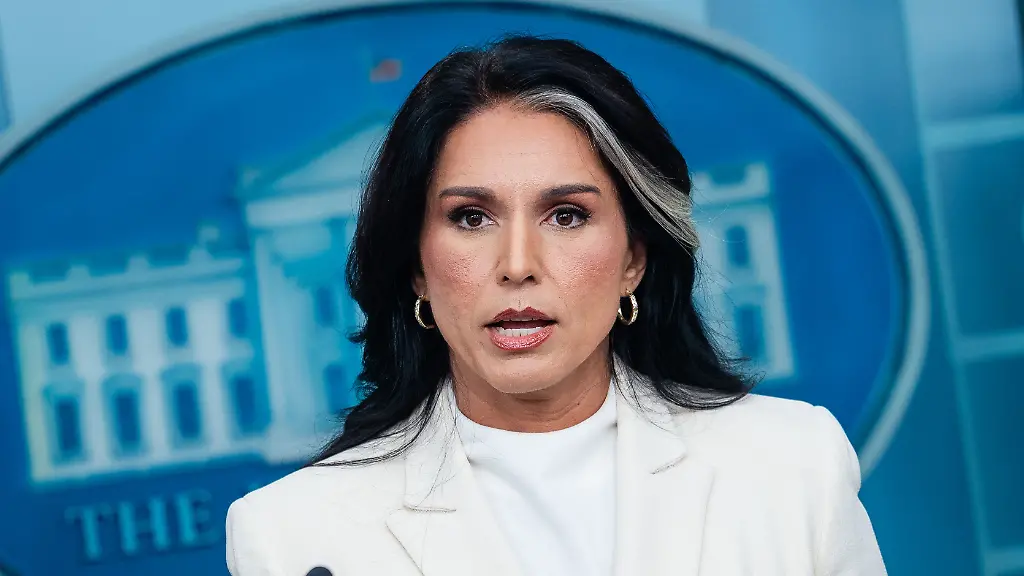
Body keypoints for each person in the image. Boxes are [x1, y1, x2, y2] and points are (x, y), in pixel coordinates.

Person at [225, 35, 886, 576]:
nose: (517, 265)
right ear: (417, 269)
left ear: (635, 258)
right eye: (472, 218)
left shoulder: (793, 465)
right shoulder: (292, 537)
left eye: (566, 215)